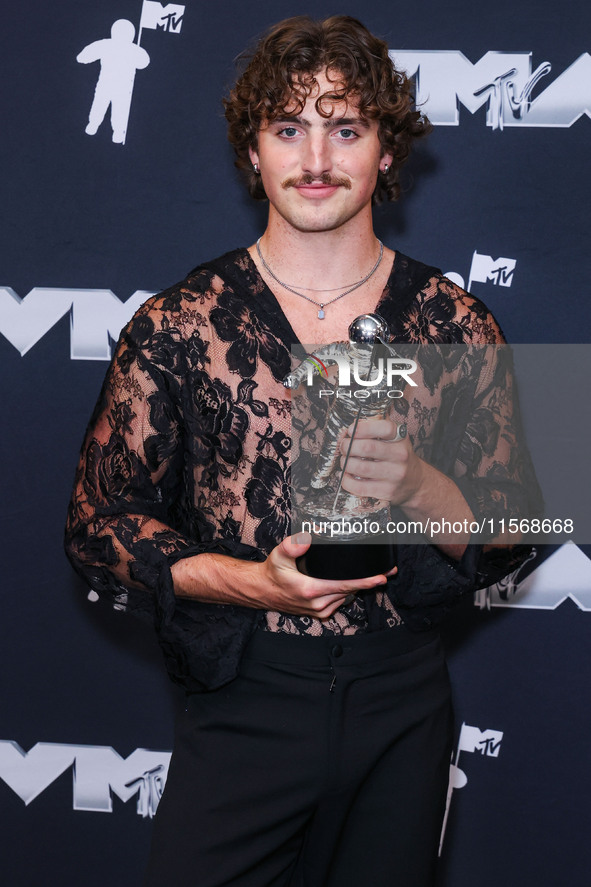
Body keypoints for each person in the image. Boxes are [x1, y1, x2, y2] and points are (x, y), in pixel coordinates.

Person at [65, 15, 537, 887]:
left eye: (345, 128)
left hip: (403, 700)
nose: (315, 157)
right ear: (252, 152)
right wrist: (251, 581)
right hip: (246, 698)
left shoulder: (458, 320)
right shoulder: (177, 321)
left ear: (386, 152)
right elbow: (98, 524)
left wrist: (418, 480)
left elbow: (523, 526)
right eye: (289, 128)